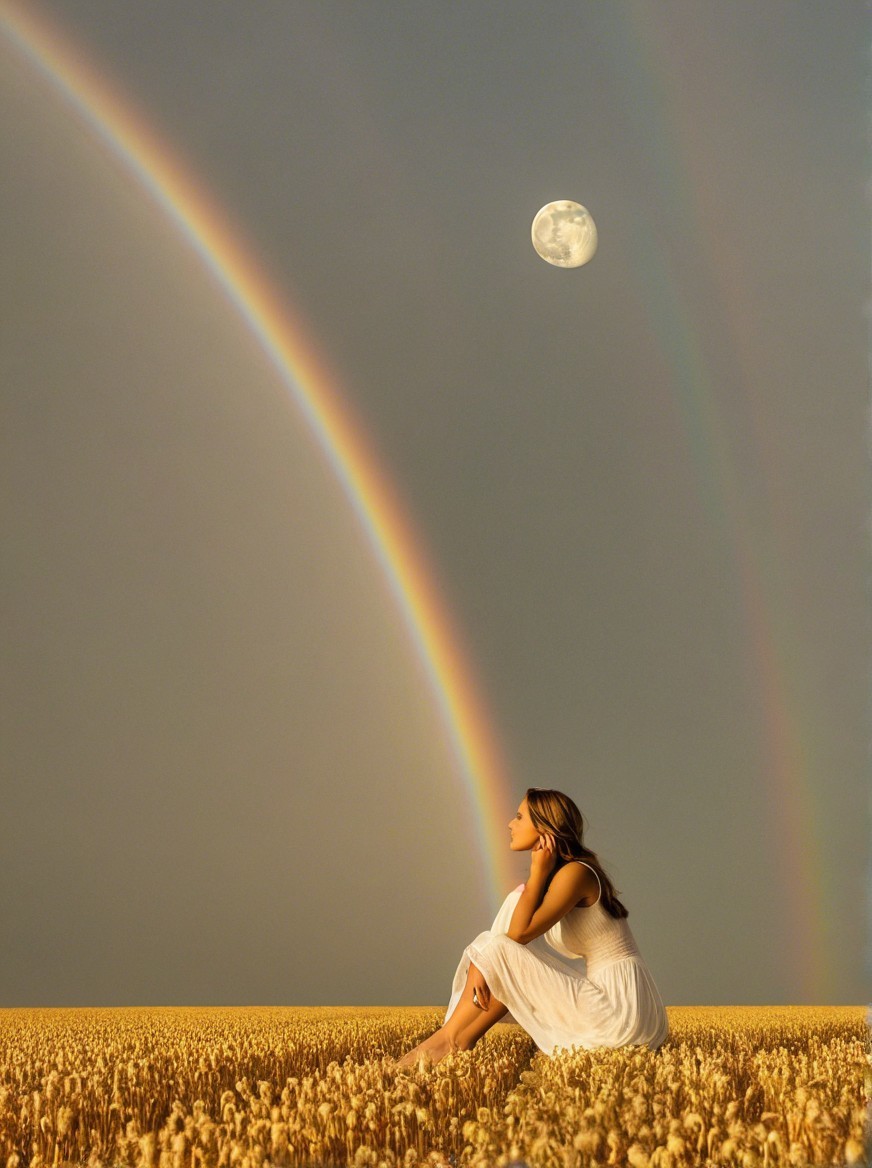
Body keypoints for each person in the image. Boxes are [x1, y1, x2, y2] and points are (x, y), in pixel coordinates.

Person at [397, 787, 668, 1066]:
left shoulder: (576, 873)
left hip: (618, 1012)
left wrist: (537, 873)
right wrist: (487, 958)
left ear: (545, 828)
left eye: (519, 817)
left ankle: (450, 1039)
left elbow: (518, 935)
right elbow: (514, 935)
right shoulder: (564, 877)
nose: (510, 824)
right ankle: (461, 1038)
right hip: (615, 1002)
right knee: (516, 903)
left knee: (503, 938)